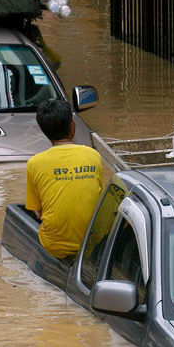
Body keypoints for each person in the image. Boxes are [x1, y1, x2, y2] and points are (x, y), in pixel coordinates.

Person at [26, 99, 104, 260]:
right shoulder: (92, 155)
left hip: (54, 246)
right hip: (93, 242)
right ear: (72, 126)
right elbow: (99, 197)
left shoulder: (35, 163)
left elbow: (38, 212)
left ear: (43, 130)